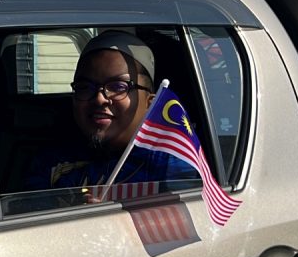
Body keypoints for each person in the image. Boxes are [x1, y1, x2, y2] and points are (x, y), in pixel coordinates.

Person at [20, 31, 197, 197]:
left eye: (119, 87)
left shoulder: (170, 164)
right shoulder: (52, 161)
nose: (99, 99)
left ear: (149, 104)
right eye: (84, 87)